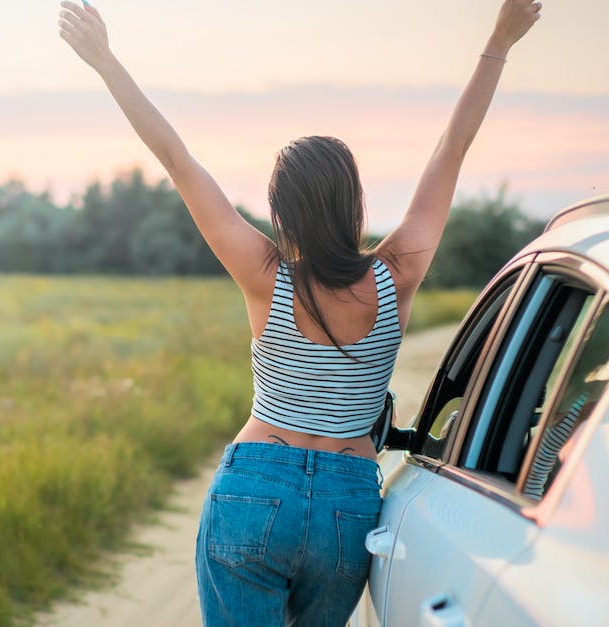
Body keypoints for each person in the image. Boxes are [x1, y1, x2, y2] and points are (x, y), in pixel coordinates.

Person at [57, 1, 541, 624]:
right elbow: (452, 150)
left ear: (281, 214)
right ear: (355, 203)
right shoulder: (399, 274)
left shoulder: (263, 277)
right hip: (347, 502)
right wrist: (498, 42)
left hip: (255, 486)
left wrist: (105, 61)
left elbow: (177, 159)